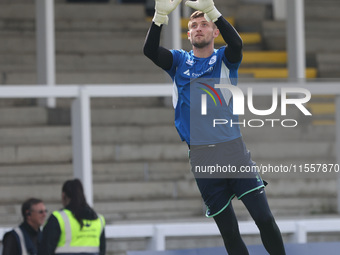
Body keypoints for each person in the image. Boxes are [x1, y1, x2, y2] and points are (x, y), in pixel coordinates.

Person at [143, 0, 286, 254]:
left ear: (214, 32)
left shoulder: (224, 59)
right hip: (201, 158)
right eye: (193, 25)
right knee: (229, 233)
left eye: (204, 24)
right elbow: (150, 51)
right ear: (188, 35)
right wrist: (158, 18)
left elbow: (238, 44)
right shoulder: (178, 62)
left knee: (264, 219)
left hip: (233, 151)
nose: (198, 28)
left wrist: (214, 12)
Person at [38, 179, 106, 255]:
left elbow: (45, 249)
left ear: (63, 195)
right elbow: (102, 250)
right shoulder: (99, 219)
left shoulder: (58, 218)